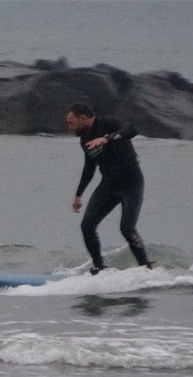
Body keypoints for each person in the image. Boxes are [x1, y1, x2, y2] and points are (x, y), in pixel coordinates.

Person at [66, 102, 153, 275]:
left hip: (131, 185)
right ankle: (99, 268)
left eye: (71, 122)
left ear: (83, 118)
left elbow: (131, 129)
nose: (69, 127)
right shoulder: (85, 139)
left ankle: (146, 269)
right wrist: (78, 195)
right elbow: (89, 168)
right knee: (87, 226)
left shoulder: (107, 123)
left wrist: (107, 138)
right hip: (108, 186)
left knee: (127, 229)